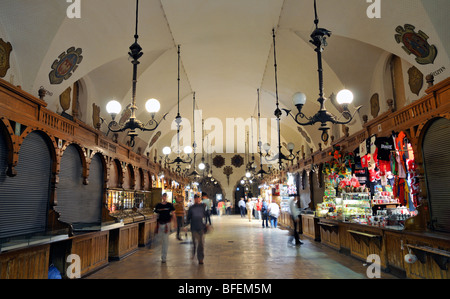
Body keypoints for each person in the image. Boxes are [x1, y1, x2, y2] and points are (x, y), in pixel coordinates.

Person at [186, 194, 208, 264]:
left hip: (200, 227)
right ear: (194, 199)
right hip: (194, 227)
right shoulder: (191, 208)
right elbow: (188, 218)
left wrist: (206, 224)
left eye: (198, 198)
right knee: (195, 243)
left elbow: (205, 215)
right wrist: (186, 226)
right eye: (196, 198)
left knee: (201, 243)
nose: (197, 199)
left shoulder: (202, 207)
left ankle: (200, 258)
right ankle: (194, 252)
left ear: (199, 199)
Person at [154, 193, 175, 263]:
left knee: (165, 241)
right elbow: (155, 214)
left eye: (165, 196)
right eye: (163, 196)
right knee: (158, 239)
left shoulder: (169, 205)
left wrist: (175, 223)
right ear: (162, 197)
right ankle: (159, 251)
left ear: (166, 197)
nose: (164, 197)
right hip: (160, 224)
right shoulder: (158, 205)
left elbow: (173, 213)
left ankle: (164, 257)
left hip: (166, 224)